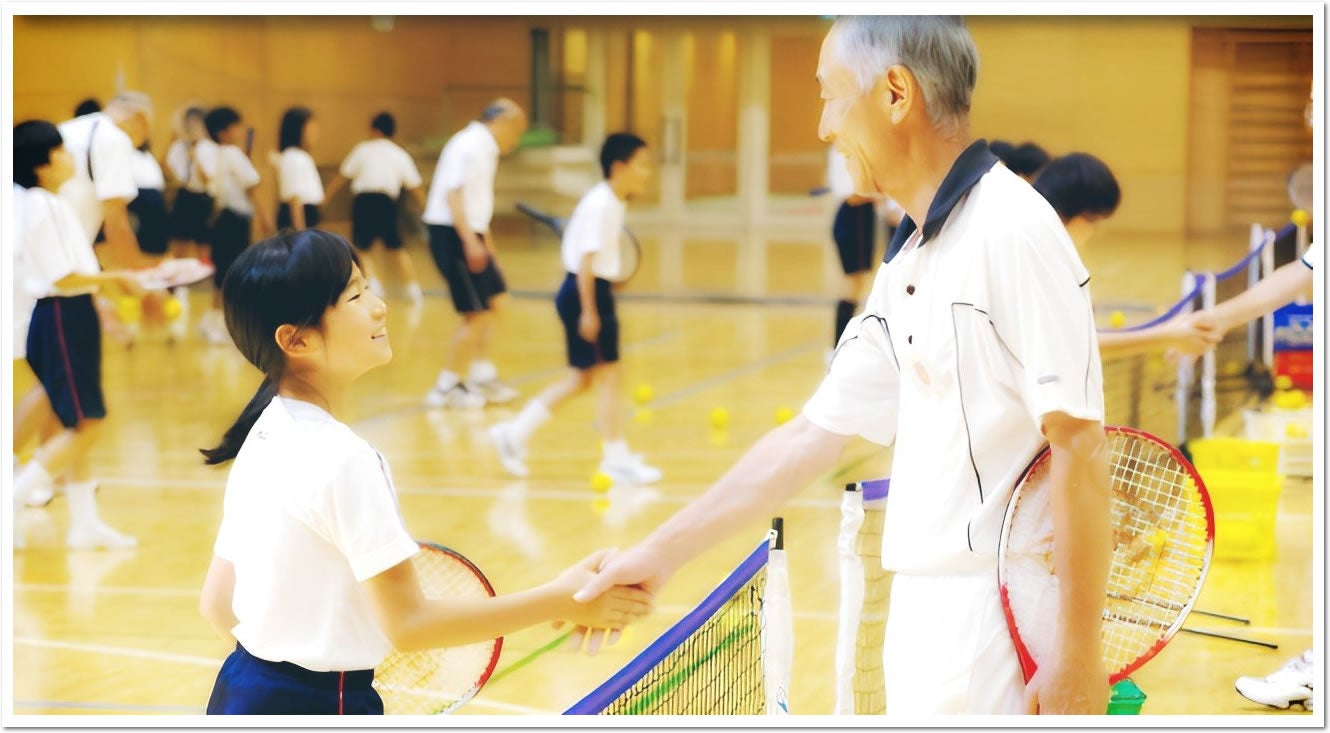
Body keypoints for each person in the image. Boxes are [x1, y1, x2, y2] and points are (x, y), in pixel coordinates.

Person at [575, 16, 1113, 715]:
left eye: (831, 95)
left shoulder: (1012, 230)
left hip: (997, 617)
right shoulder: (914, 253)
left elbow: (1081, 444)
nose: (825, 126)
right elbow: (812, 436)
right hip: (926, 607)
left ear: (895, 93)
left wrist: (1076, 654)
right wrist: (661, 551)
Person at [196, 230, 652, 714]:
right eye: (354, 295)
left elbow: (217, 604)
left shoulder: (265, 433)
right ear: (296, 339)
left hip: (239, 691)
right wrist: (562, 599)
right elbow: (409, 625)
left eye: (368, 286)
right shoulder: (343, 458)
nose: (378, 306)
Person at [488, 133, 663, 485]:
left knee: (583, 379)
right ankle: (614, 457)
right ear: (619, 166)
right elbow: (584, 262)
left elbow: (595, 258)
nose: (647, 172)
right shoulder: (602, 203)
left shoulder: (611, 201)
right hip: (585, 294)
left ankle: (513, 433)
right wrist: (590, 311)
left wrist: (611, 281)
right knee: (608, 377)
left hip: (593, 290)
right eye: (641, 164)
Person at [12, 119, 143, 550]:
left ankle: (84, 524)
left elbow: (76, 272)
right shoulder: (42, 205)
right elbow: (63, 276)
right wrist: (118, 279)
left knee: (74, 418)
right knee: (87, 422)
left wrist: (102, 290)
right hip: (62, 316)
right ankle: (10, 500)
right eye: (61, 152)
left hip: (71, 313)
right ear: (43, 163)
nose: (70, 158)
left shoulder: (47, 202)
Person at [1031, 152, 1221, 357]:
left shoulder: (1047, 253)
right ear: (1071, 212)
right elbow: (1068, 346)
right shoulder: (1033, 258)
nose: (1096, 231)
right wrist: (1166, 335)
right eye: (1094, 220)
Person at [421, 99, 528, 409]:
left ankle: (481, 374)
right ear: (502, 122)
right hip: (451, 233)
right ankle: (445, 387)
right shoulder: (467, 144)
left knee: (497, 300)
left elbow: (476, 204)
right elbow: (452, 194)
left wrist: (487, 246)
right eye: (516, 131)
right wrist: (469, 241)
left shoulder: (485, 147)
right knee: (476, 314)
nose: (516, 139)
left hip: (470, 232)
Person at [323, 112, 427, 304]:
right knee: (396, 247)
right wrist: (426, 209)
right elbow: (414, 187)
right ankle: (413, 291)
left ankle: (375, 286)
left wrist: (325, 198)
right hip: (388, 203)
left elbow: (341, 178)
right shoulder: (399, 153)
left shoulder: (363, 149)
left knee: (362, 248)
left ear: (374, 130)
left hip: (364, 202)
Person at [198, 105, 274, 345]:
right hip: (234, 221)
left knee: (225, 272)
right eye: (236, 126)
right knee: (232, 273)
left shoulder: (220, 153)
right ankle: (217, 322)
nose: (241, 130)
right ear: (223, 132)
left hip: (222, 219)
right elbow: (253, 186)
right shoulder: (233, 154)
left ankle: (212, 320)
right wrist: (266, 218)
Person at [57, 91, 154, 269]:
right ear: (139, 119)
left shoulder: (70, 127)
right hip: (60, 252)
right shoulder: (114, 139)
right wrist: (139, 272)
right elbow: (115, 219)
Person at [275, 106, 324, 231]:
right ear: (297, 130)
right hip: (300, 216)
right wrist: (300, 231)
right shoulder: (293, 157)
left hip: (309, 213)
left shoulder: (301, 156)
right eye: (310, 128)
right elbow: (294, 197)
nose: (315, 133)